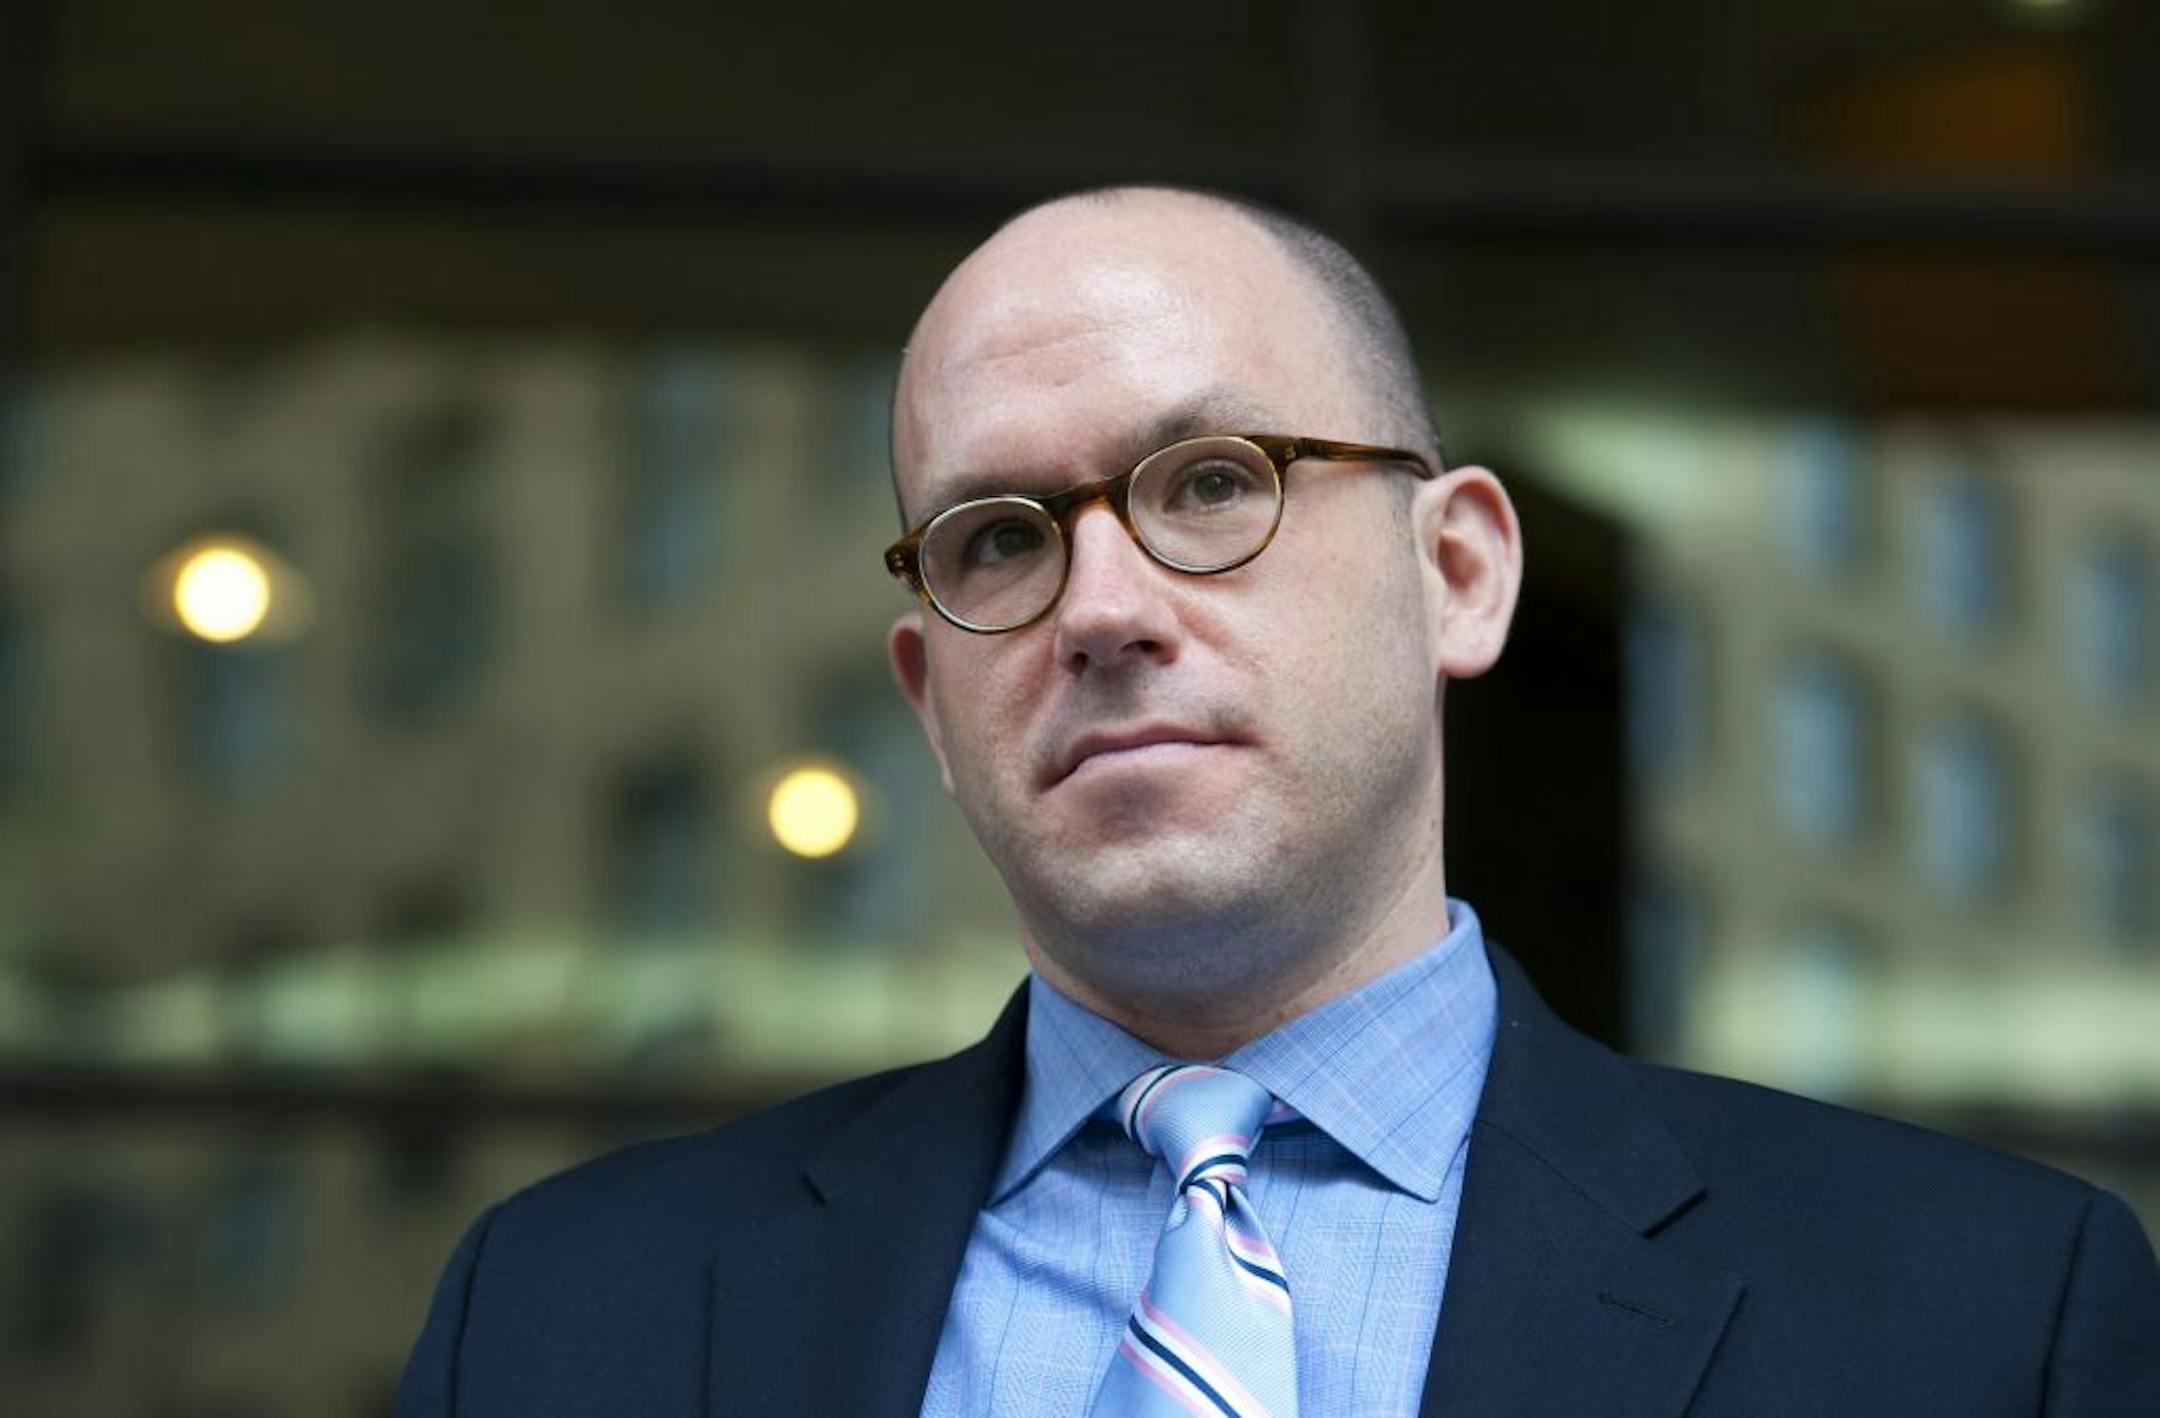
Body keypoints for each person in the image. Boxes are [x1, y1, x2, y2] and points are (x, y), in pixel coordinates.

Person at [398, 186, 2160, 1416]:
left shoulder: (1988, 1319)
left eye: (1213, 481)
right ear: (931, 701)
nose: (1101, 609)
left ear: (1457, 573)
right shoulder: (561, 1319)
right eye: (998, 538)